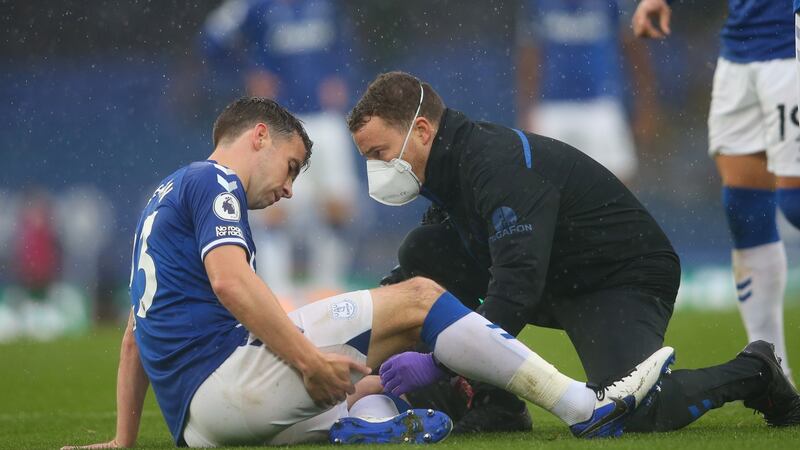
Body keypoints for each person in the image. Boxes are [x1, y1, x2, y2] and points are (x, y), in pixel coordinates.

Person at [60, 97, 675, 449]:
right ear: (258, 137)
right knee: (417, 298)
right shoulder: (214, 181)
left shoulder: (161, 199)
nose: (290, 189)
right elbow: (230, 281)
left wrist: (123, 442)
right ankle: (584, 406)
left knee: (364, 390)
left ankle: (371, 428)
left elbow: (135, 337)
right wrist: (306, 358)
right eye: (292, 166)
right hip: (227, 384)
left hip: (199, 428)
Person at [348, 71, 800, 434]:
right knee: (423, 252)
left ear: (422, 131)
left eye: (379, 153)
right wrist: (358, 354)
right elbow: (421, 279)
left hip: (621, 275)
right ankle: (495, 405)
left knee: (631, 412)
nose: (376, 169)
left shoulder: (493, 164)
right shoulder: (448, 170)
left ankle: (756, 370)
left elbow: (516, 288)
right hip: (559, 275)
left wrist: (438, 363)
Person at [631, 0, 799, 380]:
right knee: (744, 208)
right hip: (740, 50)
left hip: (789, 46)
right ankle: (774, 374)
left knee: (794, 205)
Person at [200, 0, 359, 297]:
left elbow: (345, 37)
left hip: (326, 116)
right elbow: (212, 39)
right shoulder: (252, 5)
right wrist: (247, 72)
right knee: (275, 209)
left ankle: (327, 291)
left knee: (337, 206)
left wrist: (342, 75)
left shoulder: (324, 4)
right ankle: (278, 296)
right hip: (280, 120)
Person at [516, 0, 659, 185]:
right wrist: (527, 111)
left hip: (600, 106)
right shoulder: (539, 4)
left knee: (619, 186)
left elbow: (635, 48)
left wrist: (646, 107)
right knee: (546, 187)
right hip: (553, 108)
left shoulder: (613, 2)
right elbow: (530, 55)